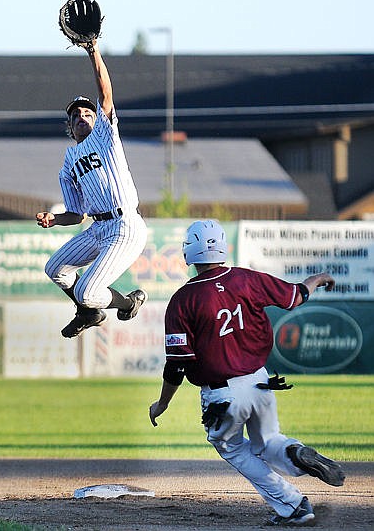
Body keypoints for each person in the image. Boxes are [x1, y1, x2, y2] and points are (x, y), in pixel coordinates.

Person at [149, 220, 345, 526]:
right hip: (260, 381)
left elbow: (177, 364)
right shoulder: (245, 279)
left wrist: (162, 404)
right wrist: (316, 278)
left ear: (189, 253)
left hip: (222, 393)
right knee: (268, 441)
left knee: (233, 448)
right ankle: (295, 453)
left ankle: (293, 505)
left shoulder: (182, 300)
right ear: (223, 248)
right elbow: (295, 297)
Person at [36, 37, 148, 338]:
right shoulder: (68, 160)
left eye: (88, 113)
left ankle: (127, 302)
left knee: (87, 290)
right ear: (69, 129)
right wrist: (55, 219)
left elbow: (104, 91)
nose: (82, 117)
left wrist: (93, 50)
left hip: (125, 225)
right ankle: (89, 313)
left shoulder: (105, 135)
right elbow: (76, 214)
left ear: (97, 120)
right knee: (55, 269)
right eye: (76, 116)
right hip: (98, 227)